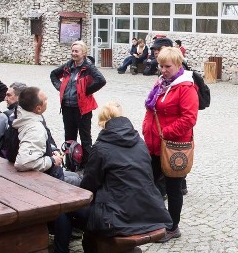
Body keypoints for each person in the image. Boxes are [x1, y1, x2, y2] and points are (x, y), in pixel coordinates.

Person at [69, 101, 171, 237]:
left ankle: (62, 252)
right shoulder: (140, 143)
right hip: (150, 211)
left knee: (68, 208)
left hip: (115, 218)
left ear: (102, 123)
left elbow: (89, 185)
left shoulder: (100, 148)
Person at [12, 86, 79, 253]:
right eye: (45, 99)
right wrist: (51, 161)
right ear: (38, 108)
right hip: (39, 182)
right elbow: (23, 161)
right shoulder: (34, 128)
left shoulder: (22, 116)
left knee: (76, 180)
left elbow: (45, 142)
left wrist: (54, 150)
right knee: (63, 206)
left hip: (26, 180)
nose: (48, 99)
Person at [142, 46, 198, 242]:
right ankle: (156, 220)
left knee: (173, 189)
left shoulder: (185, 87)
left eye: (167, 66)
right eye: (160, 65)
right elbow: (152, 110)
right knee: (151, 184)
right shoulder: (162, 84)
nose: (163, 70)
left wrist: (164, 132)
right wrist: (146, 129)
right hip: (155, 144)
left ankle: (173, 226)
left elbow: (189, 119)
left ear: (178, 65)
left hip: (174, 146)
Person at [49, 40, 106, 168]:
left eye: (77, 51)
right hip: (67, 107)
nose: (74, 53)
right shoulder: (68, 66)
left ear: (83, 53)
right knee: (69, 137)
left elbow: (101, 80)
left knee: (85, 139)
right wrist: (60, 87)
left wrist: (87, 91)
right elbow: (53, 74)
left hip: (83, 109)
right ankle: (70, 163)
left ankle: (87, 165)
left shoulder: (89, 67)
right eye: (72, 51)